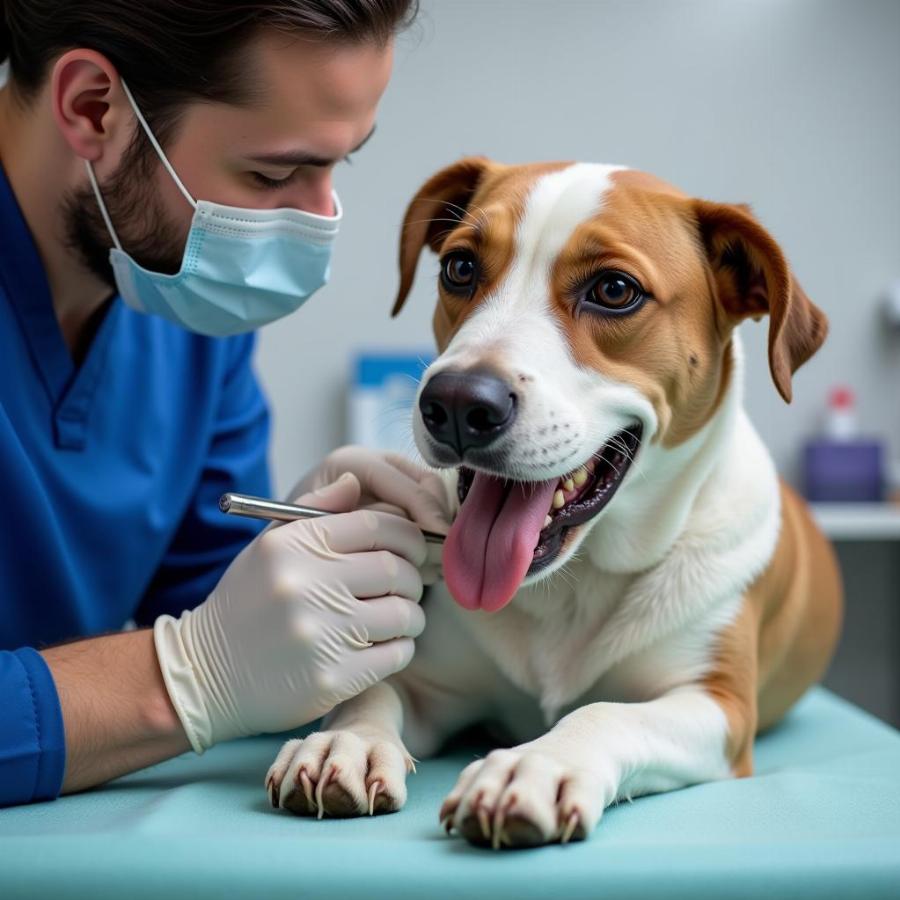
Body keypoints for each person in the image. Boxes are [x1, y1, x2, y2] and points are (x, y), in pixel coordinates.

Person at [0, 0, 451, 807]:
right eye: (274, 174)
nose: (318, 221)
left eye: (338, 165)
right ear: (92, 109)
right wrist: (185, 676)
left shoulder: (176, 291)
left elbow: (214, 598)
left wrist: (310, 554)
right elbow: (208, 656)